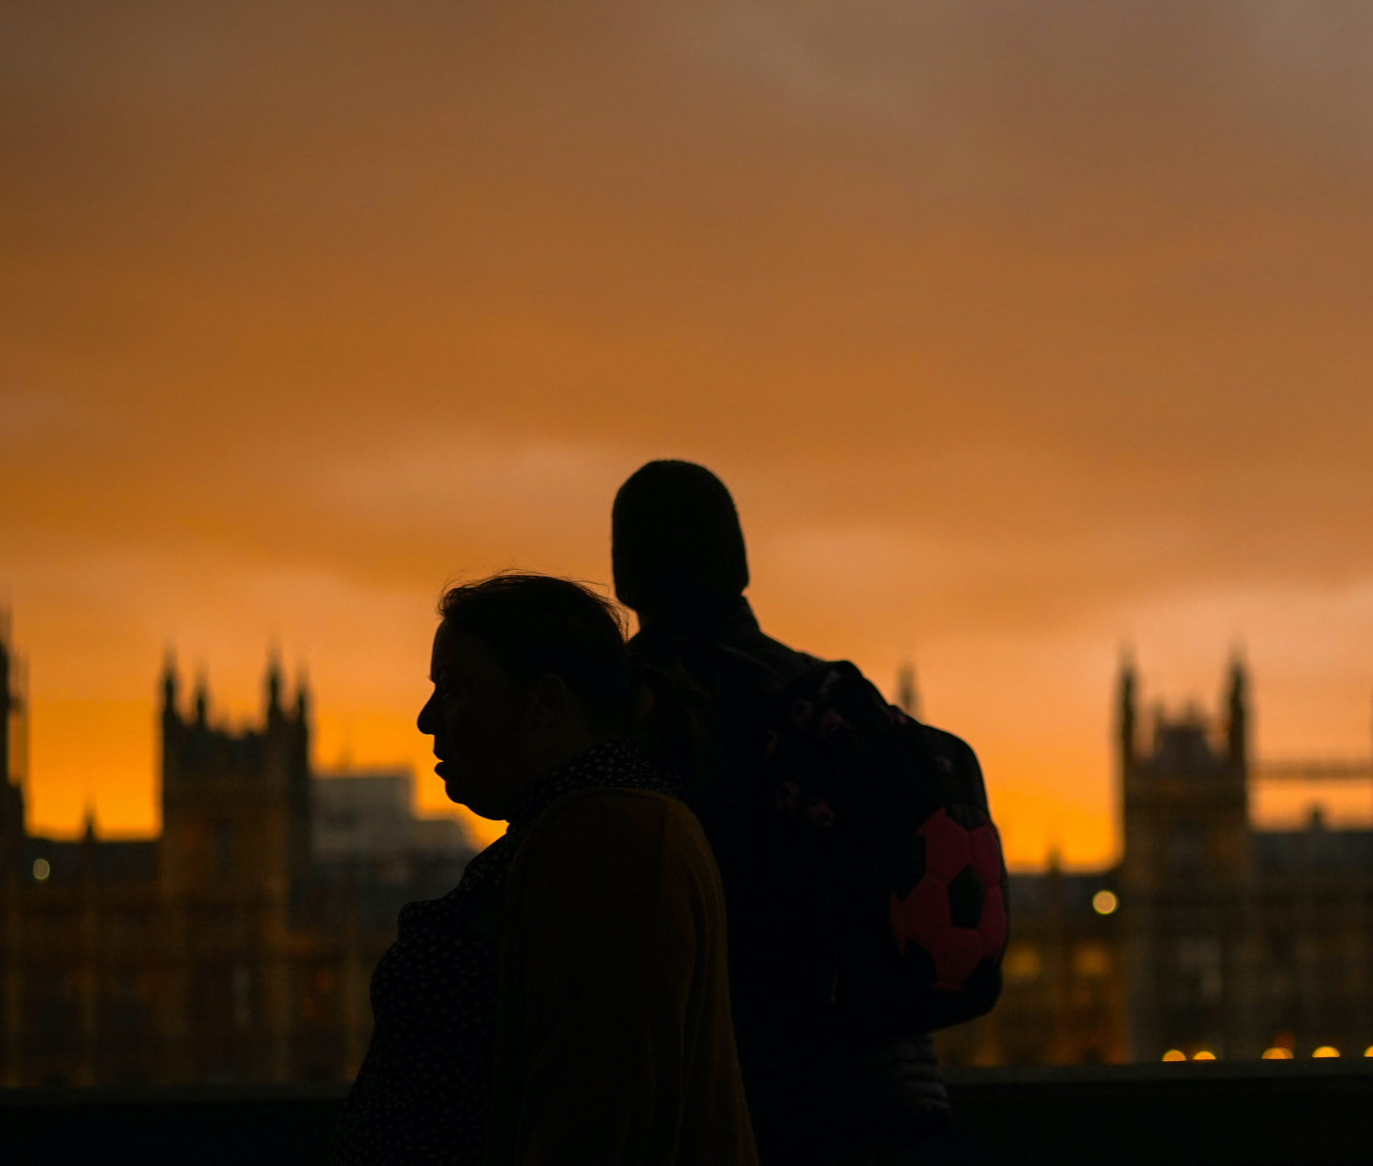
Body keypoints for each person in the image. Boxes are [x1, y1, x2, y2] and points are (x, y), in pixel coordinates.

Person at [336, 573, 757, 1165]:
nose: (427, 719)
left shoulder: (611, 842)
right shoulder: (578, 828)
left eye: (455, 690)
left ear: (545, 702)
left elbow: (596, 1112)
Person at [613, 460, 963, 1166]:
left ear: (626, 577)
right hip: (883, 1081)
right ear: (739, 562)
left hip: (739, 1089)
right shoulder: (832, 697)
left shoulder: (623, 712)